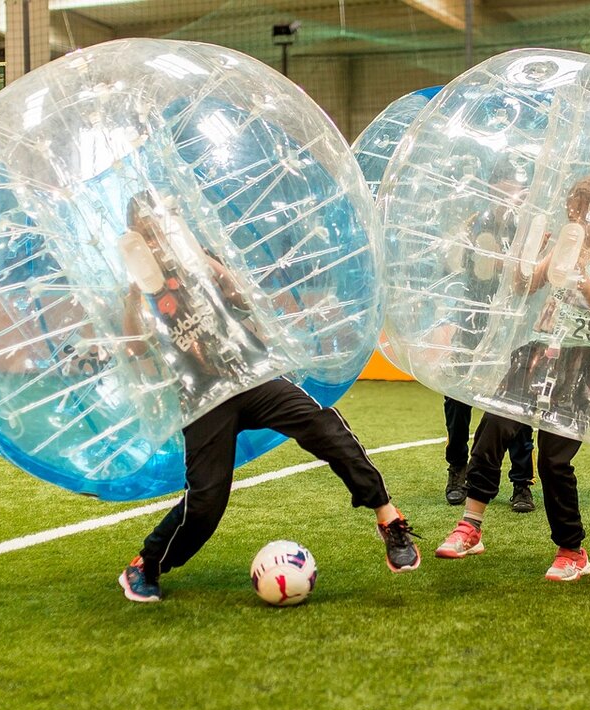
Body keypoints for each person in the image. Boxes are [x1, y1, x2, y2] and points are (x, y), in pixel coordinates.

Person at [116, 191, 421, 602]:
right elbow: (134, 347)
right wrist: (138, 289)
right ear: (137, 235)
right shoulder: (137, 283)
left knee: (322, 426)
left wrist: (202, 262)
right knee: (207, 500)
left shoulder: (197, 256)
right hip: (203, 397)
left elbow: (244, 301)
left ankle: (388, 517)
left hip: (249, 374)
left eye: (162, 226)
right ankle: (147, 563)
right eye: (147, 232)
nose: (157, 238)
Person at [435, 175, 590, 582]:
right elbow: (524, 286)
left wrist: (580, 277)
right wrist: (531, 252)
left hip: (584, 361)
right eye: (573, 210)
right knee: (496, 423)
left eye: (585, 210)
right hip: (539, 350)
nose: (577, 218)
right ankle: (471, 525)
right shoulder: (569, 244)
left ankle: (572, 550)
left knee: (554, 457)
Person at [442, 176, 535, 512]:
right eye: (501, 187)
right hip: (473, 318)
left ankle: (521, 483)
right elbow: (454, 264)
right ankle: (457, 469)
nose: (506, 195)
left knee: (515, 399)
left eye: (512, 189)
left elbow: (532, 276)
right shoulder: (473, 223)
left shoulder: (528, 227)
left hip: (514, 322)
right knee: (456, 394)